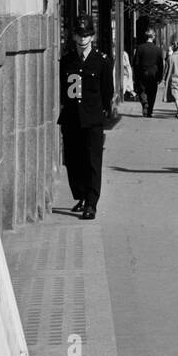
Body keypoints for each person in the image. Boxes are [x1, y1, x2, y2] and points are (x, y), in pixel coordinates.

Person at [58, 14, 116, 220]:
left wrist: (104, 114)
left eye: (87, 35)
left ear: (92, 36)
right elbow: (62, 89)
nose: (83, 39)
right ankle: (81, 195)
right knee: (73, 161)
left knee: (92, 161)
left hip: (92, 119)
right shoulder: (66, 61)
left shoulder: (102, 62)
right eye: (79, 35)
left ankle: (91, 203)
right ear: (73, 36)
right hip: (71, 118)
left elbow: (107, 91)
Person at [132, 28, 164, 117]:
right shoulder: (158, 49)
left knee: (142, 90)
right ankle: (150, 110)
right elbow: (160, 64)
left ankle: (144, 102)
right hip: (154, 74)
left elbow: (136, 63)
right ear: (153, 37)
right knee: (152, 92)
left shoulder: (140, 48)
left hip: (142, 72)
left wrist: (135, 75)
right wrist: (160, 76)